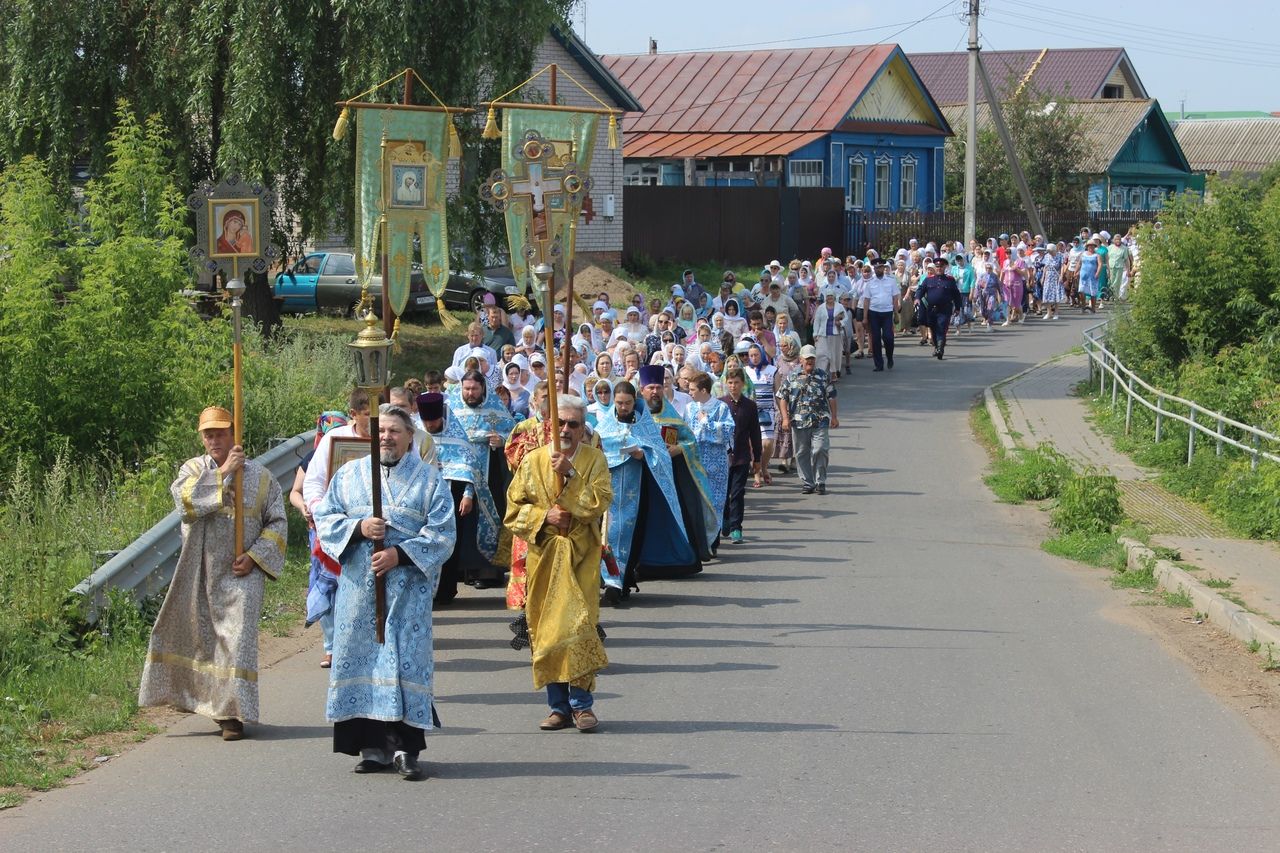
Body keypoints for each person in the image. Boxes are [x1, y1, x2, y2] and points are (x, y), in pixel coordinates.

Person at [314, 404, 455, 781]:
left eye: (395, 431)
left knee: (404, 660)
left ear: (410, 437)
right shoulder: (348, 476)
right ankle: (373, 748)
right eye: (381, 432)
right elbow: (326, 519)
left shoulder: (429, 480)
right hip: (360, 593)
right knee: (364, 661)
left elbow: (444, 534)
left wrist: (399, 554)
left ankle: (407, 750)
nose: (387, 438)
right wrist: (359, 527)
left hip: (409, 593)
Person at [138, 406, 287, 741]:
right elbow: (186, 504)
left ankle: (232, 716)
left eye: (220, 433)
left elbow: (277, 522)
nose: (215, 440)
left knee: (237, 638)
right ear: (202, 437)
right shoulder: (192, 469)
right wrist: (224, 473)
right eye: (209, 434)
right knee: (202, 639)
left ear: (233, 433)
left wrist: (254, 556)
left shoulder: (261, 477)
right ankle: (198, 700)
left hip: (242, 573)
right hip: (200, 569)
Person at [505, 395, 613, 732]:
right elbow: (512, 511)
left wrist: (571, 475)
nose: (566, 429)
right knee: (548, 628)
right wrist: (544, 514)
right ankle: (558, 707)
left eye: (573, 424)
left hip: (581, 554)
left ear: (583, 429)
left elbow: (599, 502)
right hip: (545, 556)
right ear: (550, 425)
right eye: (560, 423)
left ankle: (582, 705)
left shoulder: (594, 460)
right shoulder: (533, 461)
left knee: (580, 625)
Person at [595, 381, 699, 604]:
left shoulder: (645, 423)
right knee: (610, 534)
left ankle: (624, 578)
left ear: (635, 401)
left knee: (633, 534)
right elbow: (596, 448)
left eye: (628, 403)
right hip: (610, 492)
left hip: (638, 490)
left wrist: (645, 455)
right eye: (620, 403)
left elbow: (660, 454)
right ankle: (612, 581)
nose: (623, 407)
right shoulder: (604, 425)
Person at [639, 365, 719, 561]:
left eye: (658, 387)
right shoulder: (636, 414)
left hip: (671, 474)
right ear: (642, 390)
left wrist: (679, 449)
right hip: (643, 474)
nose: (655, 392)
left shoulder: (671, 415)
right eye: (651, 388)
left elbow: (689, 440)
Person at [288, 411, 348, 668]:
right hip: (321, 532)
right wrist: (304, 507)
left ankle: (352, 645)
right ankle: (331, 648)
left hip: (352, 530)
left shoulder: (362, 453)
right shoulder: (313, 459)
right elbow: (296, 492)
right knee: (326, 588)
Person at [445, 372, 514, 589]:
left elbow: (513, 434)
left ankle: (487, 572)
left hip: (489, 471)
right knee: (461, 519)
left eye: (474, 389)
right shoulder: (452, 408)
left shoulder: (495, 407)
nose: (470, 393)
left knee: (487, 517)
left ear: (482, 389)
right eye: (466, 389)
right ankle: (459, 570)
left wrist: (500, 440)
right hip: (458, 474)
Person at [776, 345, 839, 495]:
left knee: (820, 449)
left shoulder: (823, 376)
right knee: (802, 452)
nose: (810, 360)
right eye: (807, 358)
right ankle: (808, 482)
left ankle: (820, 481)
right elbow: (782, 397)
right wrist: (785, 418)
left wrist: (834, 417)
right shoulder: (792, 377)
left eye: (812, 358)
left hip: (820, 420)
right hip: (798, 422)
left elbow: (832, 396)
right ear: (801, 360)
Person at [683, 371, 735, 543]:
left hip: (716, 464)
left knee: (714, 501)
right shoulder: (689, 409)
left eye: (692, 389)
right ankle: (699, 543)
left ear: (703, 390)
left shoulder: (721, 408)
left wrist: (707, 423)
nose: (689, 392)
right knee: (697, 502)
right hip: (694, 462)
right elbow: (685, 432)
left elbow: (727, 432)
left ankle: (713, 541)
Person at [718, 368, 761, 543]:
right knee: (724, 493)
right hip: (723, 457)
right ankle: (725, 518)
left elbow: (755, 433)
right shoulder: (721, 404)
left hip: (742, 456)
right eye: (730, 383)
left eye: (736, 383)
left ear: (742, 384)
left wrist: (757, 458)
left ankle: (736, 527)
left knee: (737, 493)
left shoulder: (750, 406)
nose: (733, 386)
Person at [919, 262, 964, 360]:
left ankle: (940, 349)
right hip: (931, 309)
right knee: (933, 329)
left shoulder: (950, 280)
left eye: (941, 266)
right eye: (937, 266)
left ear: (945, 267)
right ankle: (936, 347)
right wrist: (917, 298)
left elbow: (956, 295)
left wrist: (957, 308)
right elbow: (920, 290)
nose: (939, 268)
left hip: (945, 309)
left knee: (941, 328)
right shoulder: (928, 280)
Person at [862, 257, 900, 371]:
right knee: (876, 339)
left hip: (887, 312)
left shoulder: (891, 281)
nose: (879, 269)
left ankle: (889, 357)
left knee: (888, 337)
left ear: (884, 268)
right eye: (876, 267)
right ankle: (878, 364)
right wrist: (864, 317)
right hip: (874, 313)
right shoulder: (870, 283)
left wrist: (896, 313)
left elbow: (895, 298)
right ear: (874, 268)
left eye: (880, 267)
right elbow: (866, 300)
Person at [810, 288, 846, 378]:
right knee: (820, 354)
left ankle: (834, 372)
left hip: (835, 334)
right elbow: (816, 321)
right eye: (828, 296)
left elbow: (846, 318)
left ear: (834, 297)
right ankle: (820, 373)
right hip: (823, 334)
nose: (830, 298)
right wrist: (815, 334)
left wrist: (840, 323)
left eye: (831, 296)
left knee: (834, 354)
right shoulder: (821, 308)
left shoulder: (839, 306)